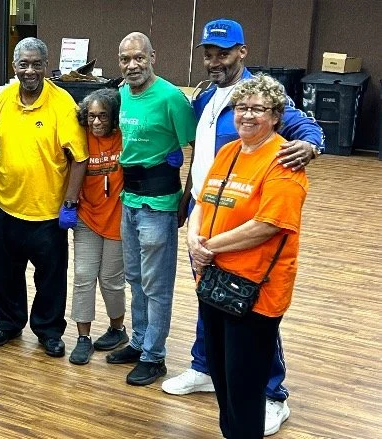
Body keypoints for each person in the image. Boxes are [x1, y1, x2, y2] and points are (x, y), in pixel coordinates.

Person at [162, 18, 324, 436]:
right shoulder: (206, 96)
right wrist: (188, 206)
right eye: (209, 54)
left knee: (250, 321)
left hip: (241, 241)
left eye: (224, 53)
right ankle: (205, 368)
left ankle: (271, 394)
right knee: (214, 302)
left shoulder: (260, 94)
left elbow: (302, 125)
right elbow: (202, 157)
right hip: (208, 215)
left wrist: (310, 144)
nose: (216, 61)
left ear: (242, 52)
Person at [188, 73, 308, 439]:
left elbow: (267, 225)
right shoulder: (229, 152)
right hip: (214, 281)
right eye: (242, 107)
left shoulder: (283, 161)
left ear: (276, 116)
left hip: (256, 292)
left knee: (244, 387)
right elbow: (202, 201)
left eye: (258, 108)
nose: (247, 115)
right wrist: (193, 239)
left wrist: (209, 246)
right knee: (223, 381)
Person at [0, 37, 89, 357]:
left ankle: (48, 330)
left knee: (51, 279)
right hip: (6, 206)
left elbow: (79, 158)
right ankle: (7, 323)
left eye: (36, 64)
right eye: (23, 64)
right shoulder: (3, 100)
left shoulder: (63, 104)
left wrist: (70, 203)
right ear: (13, 66)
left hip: (48, 212)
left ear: (46, 66)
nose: (29, 70)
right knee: (6, 274)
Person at [105, 32, 196, 386]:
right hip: (129, 200)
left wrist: (186, 200)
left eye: (139, 57)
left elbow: (199, 148)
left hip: (160, 204)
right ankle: (140, 341)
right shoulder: (123, 95)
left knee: (157, 285)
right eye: (125, 59)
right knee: (135, 278)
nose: (132, 65)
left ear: (152, 57)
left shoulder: (171, 97)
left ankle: (154, 356)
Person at [68, 88, 128, 365]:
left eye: (102, 116)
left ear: (114, 116)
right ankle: (83, 338)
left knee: (111, 280)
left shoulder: (124, 136)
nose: (96, 122)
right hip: (87, 217)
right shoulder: (81, 137)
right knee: (83, 276)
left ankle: (117, 329)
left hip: (117, 219)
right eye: (91, 116)